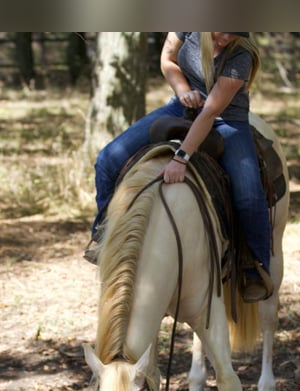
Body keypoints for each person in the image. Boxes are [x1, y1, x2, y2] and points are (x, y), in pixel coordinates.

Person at [85, 32, 273, 302]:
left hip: (226, 120)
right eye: (221, 32)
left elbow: (210, 112)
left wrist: (181, 158)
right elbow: (168, 59)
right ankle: (105, 234)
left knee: (248, 195)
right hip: (179, 108)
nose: (225, 39)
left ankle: (254, 266)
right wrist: (183, 91)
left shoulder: (241, 55)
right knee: (108, 159)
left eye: (234, 33)